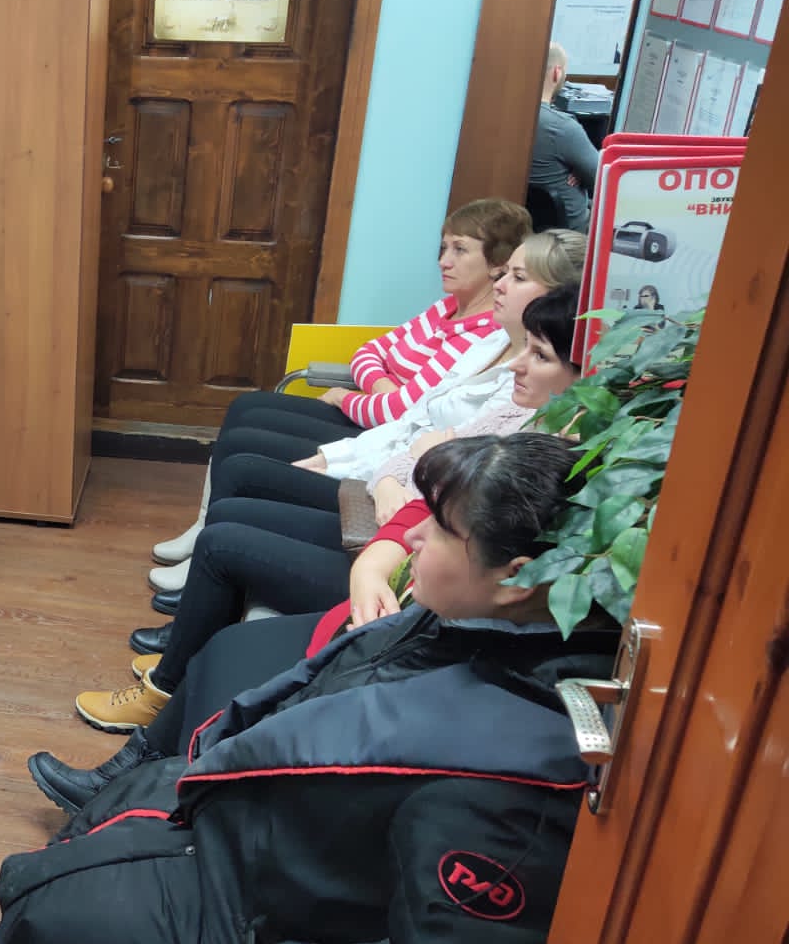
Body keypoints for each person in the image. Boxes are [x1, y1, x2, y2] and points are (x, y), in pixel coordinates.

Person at [0, 433, 618, 944]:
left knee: (55, 926)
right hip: (269, 856)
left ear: (516, 579)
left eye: (438, 527)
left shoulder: (503, 798)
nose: (410, 536)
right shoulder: (460, 625)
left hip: (275, 940)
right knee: (72, 865)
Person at [79, 286, 583, 732]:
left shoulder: (542, 454)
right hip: (383, 522)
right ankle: (180, 657)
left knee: (225, 539)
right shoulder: (514, 403)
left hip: (393, 556)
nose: (518, 364)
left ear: (585, 371)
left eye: (539, 355)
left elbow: (425, 470)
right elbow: (416, 455)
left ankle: (165, 685)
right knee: (234, 502)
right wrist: (397, 477)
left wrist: (390, 475)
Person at [148, 199, 529, 592]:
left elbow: (402, 410)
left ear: (497, 264)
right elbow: (369, 353)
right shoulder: (445, 308)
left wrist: (346, 399)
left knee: (244, 448)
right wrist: (382, 385)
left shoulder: (485, 334)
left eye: (460, 249)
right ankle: (202, 531)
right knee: (246, 408)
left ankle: (207, 556)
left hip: (375, 431)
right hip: (377, 421)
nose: (443, 261)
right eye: (444, 247)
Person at [529, 42, 599, 232]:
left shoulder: (505, 120)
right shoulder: (562, 127)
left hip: (525, 227)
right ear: (557, 73)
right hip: (570, 235)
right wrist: (582, 171)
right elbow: (603, 180)